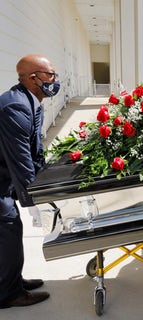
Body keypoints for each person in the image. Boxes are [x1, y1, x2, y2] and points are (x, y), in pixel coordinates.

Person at [0, 54, 59, 308]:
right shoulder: (16, 107)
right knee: (9, 229)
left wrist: (45, 178)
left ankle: (13, 281)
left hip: (4, 177)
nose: (55, 80)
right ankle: (8, 294)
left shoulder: (30, 100)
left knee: (10, 232)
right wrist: (37, 201)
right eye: (50, 75)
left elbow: (34, 151)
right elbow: (21, 162)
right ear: (33, 78)